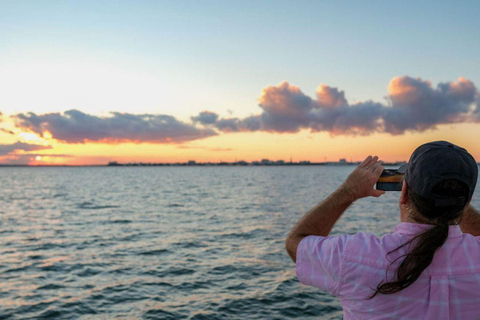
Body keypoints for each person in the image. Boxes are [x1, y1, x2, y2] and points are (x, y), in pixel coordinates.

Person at [285, 141, 480, 319]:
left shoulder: (354, 256)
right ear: (467, 201)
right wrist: (452, 197)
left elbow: (296, 243)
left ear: (404, 193)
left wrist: (349, 191)